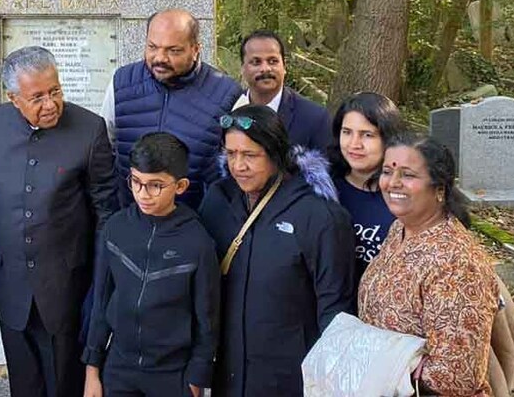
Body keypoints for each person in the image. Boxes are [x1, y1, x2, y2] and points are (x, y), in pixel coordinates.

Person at [0, 46, 118, 397]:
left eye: (55, 91)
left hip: (66, 289)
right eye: (37, 97)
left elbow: (105, 214)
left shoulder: (89, 129)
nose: (50, 104)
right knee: (25, 387)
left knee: (63, 386)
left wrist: (100, 283)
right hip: (11, 287)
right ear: (13, 98)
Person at [197, 104, 354, 396]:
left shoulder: (319, 217)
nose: (238, 166)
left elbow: (335, 312)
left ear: (276, 154)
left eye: (250, 155)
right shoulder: (218, 201)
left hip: (289, 379)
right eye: (231, 154)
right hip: (227, 376)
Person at [358, 134, 498, 397]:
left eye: (408, 175)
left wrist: (381, 363)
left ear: (440, 190)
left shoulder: (457, 264)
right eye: (388, 171)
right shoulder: (399, 228)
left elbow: (455, 377)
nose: (393, 183)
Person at [83, 132, 219, 397]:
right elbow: (100, 302)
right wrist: (92, 371)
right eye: (136, 182)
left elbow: (208, 320)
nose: (143, 194)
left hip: (172, 375)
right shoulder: (116, 228)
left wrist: (195, 381)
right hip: (118, 367)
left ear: (180, 186)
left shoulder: (198, 242)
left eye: (155, 185)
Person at [101, 9, 243, 208]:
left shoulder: (229, 95)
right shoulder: (121, 83)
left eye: (173, 50)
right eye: (152, 47)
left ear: (195, 49)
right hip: (129, 221)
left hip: (196, 224)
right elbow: (103, 149)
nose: (160, 57)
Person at [327, 91, 404, 282]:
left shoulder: (405, 196)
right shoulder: (322, 187)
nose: (354, 144)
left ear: (388, 139)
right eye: (347, 132)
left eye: (367, 135)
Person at [234, 30, 331, 152]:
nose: (265, 69)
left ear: (284, 67)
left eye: (273, 61)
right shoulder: (229, 109)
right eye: (256, 62)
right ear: (242, 68)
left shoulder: (315, 118)